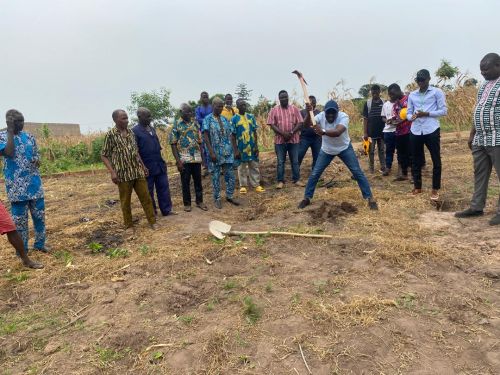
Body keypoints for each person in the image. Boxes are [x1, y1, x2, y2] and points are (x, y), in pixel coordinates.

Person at [298, 100, 378, 210]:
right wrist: (308, 113)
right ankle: (307, 198)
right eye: (328, 113)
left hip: (344, 148)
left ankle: (369, 198)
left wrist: (323, 132)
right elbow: (306, 125)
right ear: (324, 112)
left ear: (338, 112)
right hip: (327, 150)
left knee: (357, 172)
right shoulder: (320, 116)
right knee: (315, 173)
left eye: (333, 113)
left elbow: (338, 132)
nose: (330, 115)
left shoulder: (343, 117)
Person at [455, 53, 500, 225]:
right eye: (481, 70)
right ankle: (476, 207)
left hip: (498, 138)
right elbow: (478, 110)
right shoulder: (483, 85)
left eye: (486, 69)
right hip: (480, 139)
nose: (483, 73)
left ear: (498, 65)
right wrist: (472, 134)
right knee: (480, 173)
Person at [0, 110, 48, 253]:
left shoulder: (29, 137)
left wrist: (36, 160)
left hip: (34, 184)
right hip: (16, 187)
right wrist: (9, 130)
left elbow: (36, 155)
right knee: (20, 221)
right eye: (17, 121)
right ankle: (23, 249)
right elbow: (8, 153)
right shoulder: (2, 137)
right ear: (9, 122)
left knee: (40, 217)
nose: (21, 124)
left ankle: (40, 244)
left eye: (22, 121)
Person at [101, 110, 156, 233]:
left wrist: (143, 166)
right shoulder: (110, 135)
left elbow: (135, 152)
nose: (126, 121)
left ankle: (152, 221)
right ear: (115, 120)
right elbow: (104, 155)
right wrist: (112, 172)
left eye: (127, 118)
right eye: (123, 119)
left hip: (137, 171)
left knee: (146, 197)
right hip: (123, 174)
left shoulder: (131, 132)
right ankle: (129, 225)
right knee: (125, 201)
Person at [407, 69, 448, 200]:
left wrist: (427, 114)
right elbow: (408, 113)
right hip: (416, 129)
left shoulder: (437, 92)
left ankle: (435, 189)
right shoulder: (412, 95)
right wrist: (411, 117)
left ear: (429, 79)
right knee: (415, 159)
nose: (420, 82)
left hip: (431, 129)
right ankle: (417, 186)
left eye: (423, 80)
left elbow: (443, 111)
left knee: (436, 159)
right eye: (418, 80)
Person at [132, 108, 174, 217]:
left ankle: (166, 210)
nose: (150, 118)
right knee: (148, 191)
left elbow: (158, 147)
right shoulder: (135, 131)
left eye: (150, 116)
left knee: (164, 188)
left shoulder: (152, 129)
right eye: (148, 116)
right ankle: (152, 213)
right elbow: (135, 152)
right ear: (140, 117)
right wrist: (142, 166)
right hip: (147, 166)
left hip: (159, 164)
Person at [203, 98, 241, 209]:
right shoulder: (207, 119)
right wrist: (211, 153)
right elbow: (205, 136)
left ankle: (229, 196)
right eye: (218, 106)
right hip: (215, 153)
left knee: (231, 176)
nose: (220, 108)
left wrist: (234, 150)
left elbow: (230, 135)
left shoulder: (224, 119)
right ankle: (217, 198)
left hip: (227, 152)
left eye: (221, 106)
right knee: (216, 177)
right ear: (213, 106)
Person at [170, 104, 208, 212]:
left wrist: (202, 158)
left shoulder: (195, 123)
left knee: (198, 181)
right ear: (181, 112)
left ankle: (200, 201)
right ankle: (187, 204)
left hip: (196, 158)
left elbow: (200, 141)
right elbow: (173, 144)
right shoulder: (176, 125)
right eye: (187, 112)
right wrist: (178, 162)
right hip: (184, 159)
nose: (190, 114)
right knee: (185, 182)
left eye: (191, 112)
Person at [267, 90, 305, 188]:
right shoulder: (274, 110)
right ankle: (280, 181)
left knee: (295, 161)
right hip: (280, 141)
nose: (284, 99)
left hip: (294, 140)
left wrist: (291, 133)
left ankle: (296, 179)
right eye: (282, 97)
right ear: (279, 99)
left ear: (288, 97)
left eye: (285, 97)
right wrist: (283, 133)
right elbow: (271, 124)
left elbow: (300, 122)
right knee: (280, 161)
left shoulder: (295, 109)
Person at [232, 99, 265, 194]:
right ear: (237, 107)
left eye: (244, 105)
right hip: (241, 147)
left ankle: (256, 184)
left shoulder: (251, 117)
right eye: (241, 105)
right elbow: (232, 136)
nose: (243, 107)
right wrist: (235, 150)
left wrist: (256, 146)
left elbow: (254, 132)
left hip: (251, 146)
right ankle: (243, 185)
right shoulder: (234, 119)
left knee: (254, 165)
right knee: (241, 167)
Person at [387, 84, 412, 181]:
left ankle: (413, 175)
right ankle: (403, 174)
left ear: (398, 91)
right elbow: (395, 116)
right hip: (399, 132)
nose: (391, 97)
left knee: (410, 153)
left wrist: (401, 120)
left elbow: (413, 113)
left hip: (409, 131)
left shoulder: (409, 100)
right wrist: (391, 120)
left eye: (392, 94)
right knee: (401, 154)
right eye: (390, 95)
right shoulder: (395, 105)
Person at [362, 85, 386, 174]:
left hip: (382, 132)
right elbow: (365, 119)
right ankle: (371, 168)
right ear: (371, 92)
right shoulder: (367, 103)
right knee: (370, 151)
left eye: (376, 92)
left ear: (380, 92)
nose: (375, 94)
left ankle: (383, 167)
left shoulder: (384, 102)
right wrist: (365, 133)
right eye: (373, 92)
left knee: (382, 150)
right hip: (371, 133)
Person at [298, 95, 322, 171]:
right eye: (310, 103)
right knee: (299, 154)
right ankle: (296, 171)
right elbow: (302, 125)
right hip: (305, 138)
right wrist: (309, 113)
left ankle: (315, 173)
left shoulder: (319, 113)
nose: (312, 105)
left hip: (317, 138)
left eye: (313, 103)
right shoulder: (301, 112)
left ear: (315, 103)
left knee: (317, 156)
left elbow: (321, 124)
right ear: (306, 104)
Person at [195, 91, 212, 176]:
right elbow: (198, 119)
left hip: (212, 131)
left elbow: (214, 117)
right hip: (203, 131)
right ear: (201, 98)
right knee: (205, 149)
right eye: (203, 97)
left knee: (214, 147)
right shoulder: (198, 109)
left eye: (206, 97)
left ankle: (216, 166)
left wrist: (205, 120)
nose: (205, 98)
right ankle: (207, 167)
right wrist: (208, 120)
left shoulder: (211, 107)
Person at [381, 96, 396, 176]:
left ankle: (403, 168)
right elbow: (383, 117)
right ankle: (388, 167)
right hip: (388, 130)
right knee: (389, 150)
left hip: (398, 130)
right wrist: (387, 120)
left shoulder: (399, 103)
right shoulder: (385, 104)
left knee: (401, 150)